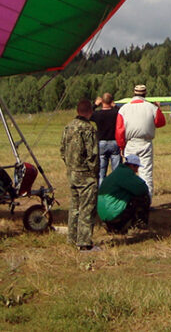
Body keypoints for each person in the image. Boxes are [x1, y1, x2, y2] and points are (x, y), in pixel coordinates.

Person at [60, 97, 100, 251]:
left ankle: (72, 238)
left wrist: (70, 166)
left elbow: (62, 151)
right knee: (87, 208)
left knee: (74, 206)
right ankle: (84, 243)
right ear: (90, 112)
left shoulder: (68, 127)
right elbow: (93, 154)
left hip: (72, 172)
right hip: (85, 174)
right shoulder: (88, 129)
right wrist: (93, 172)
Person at [115, 84, 165, 195]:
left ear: (134, 93)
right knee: (146, 173)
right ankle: (147, 200)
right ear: (145, 93)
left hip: (131, 143)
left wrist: (121, 146)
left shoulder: (124, 109)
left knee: (128, 174)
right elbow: (161, 123)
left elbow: (119, 130)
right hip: (145, 143)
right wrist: (158, 108)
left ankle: (129, 200)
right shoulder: (152, 107)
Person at [97, 153, 151, 233]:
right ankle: (139, 225)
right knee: (144, 198)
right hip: (112, 213)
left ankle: (112, 225)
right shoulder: (126, 174)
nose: (137, 170)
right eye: (136, 167)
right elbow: (143, 189)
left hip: (103, 213)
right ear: (132, 166)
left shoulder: (118, 172)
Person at [91, 92, 120, 188]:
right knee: (116, 172)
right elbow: (122, 113)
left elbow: (88, 114)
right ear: (111, 101)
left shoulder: (97, 114)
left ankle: (102, 193)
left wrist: (95, 104)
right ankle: (116, 191)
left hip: (102, 142)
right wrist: (115, 106)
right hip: (114, 142)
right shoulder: (115, 113)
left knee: (101, 173)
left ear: (102, 101)